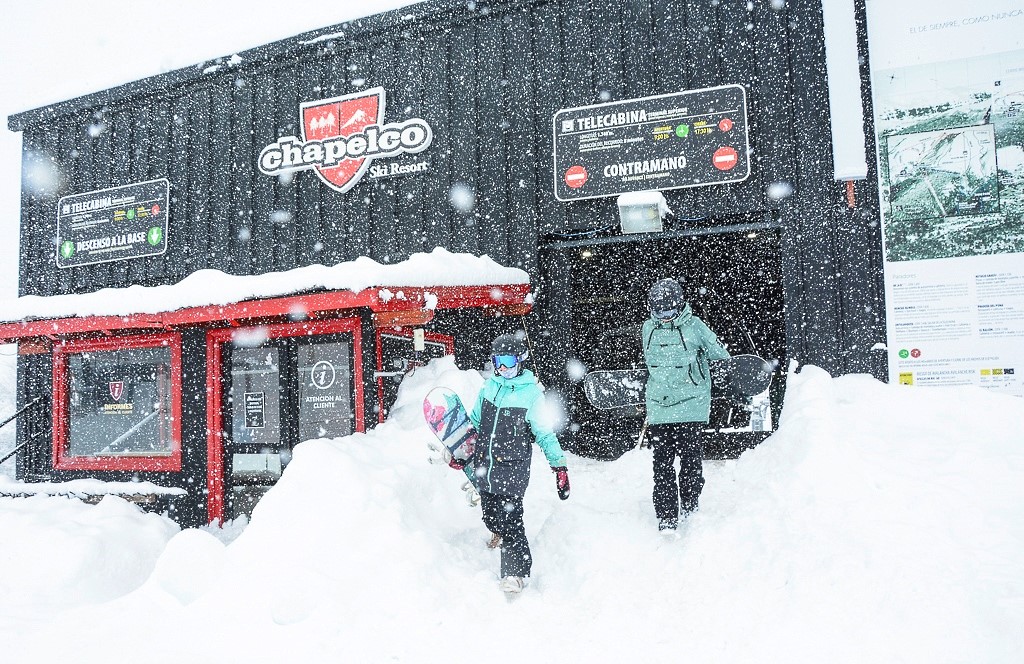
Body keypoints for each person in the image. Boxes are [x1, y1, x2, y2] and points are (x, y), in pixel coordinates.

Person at [449, 332, 570, 594]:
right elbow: (475, 423)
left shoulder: (531, 396)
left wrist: (559, 467)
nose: (503, 368)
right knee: (492, 517)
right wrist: (461, 452)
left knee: (512, 521)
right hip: (486, 468)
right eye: (498, 362)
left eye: (509, 361)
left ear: (521, 361)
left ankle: (515, 573)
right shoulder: (488, 388)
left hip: (512, 470)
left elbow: (545, 434)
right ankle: (497, 531)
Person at [641, 278, 729, 532]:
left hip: (691, 406)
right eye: (659, 311)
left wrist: (728, 375)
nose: (665, 316)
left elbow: (718, 353)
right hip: (660, 407)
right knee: (662, 466)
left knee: (690, 462)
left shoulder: (695, 326)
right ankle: (666, 515)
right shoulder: (648, 328)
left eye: (669, 311)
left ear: (679, 305)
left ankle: (690, 504)